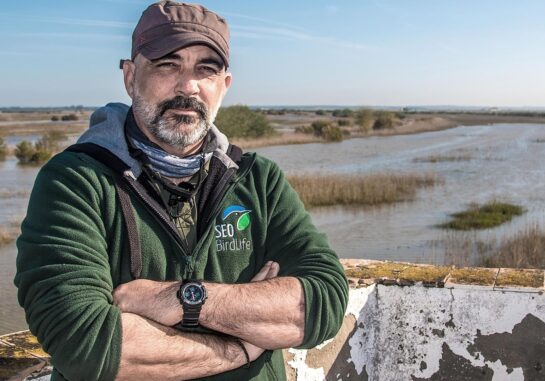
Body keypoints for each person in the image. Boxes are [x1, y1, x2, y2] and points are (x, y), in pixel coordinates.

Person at [14, 1, 348, 380]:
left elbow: (324, 303)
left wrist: (183, 299)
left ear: (223, 87)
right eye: (167, 64)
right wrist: (242, 346)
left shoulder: (259, 181)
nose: (188, 85)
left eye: (206, 69)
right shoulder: (76, 183)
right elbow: (87, 346)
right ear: (129, 76)